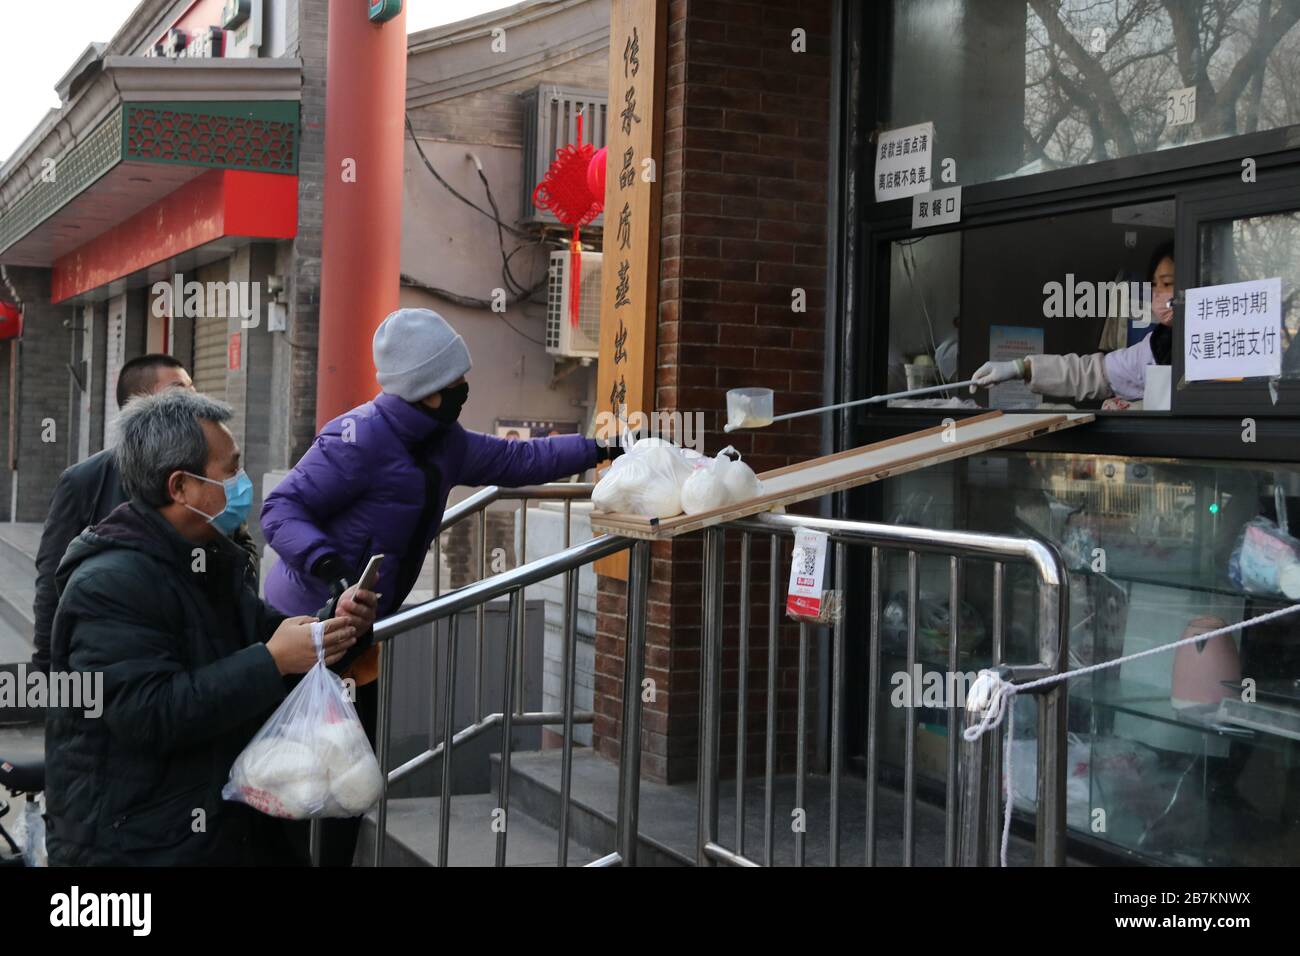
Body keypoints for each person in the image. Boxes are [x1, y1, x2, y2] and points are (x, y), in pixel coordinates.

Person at [260, 307, 622, 865]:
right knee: (296, 783)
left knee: (349, 779)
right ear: (425, 387)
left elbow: (518, 458)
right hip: (304, 629)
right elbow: (281, 507)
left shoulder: (444, 442)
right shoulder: (357, 438)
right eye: (453, 381)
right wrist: (330, 568)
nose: (462, 390)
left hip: (358, 633)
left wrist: (602, 448)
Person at [43, 390, 377, 866]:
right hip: (139, 843)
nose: (242, 482)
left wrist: (334, 626)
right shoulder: (109, 583)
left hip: (219, 826)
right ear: (180, 487)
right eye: (230, 469)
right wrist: (272, 660)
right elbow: (149, 713)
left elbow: (261, 631)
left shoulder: (209, 557)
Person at [31, 354, 194, 674]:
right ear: (137, 405)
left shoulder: (199, 480)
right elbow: (53, 578)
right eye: (178, 390)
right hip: (103, 661)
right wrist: (46, 661)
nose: (193, 400)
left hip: (179, 661)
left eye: (192, 388)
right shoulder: (84, 480)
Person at [971, 241, 1175, 404]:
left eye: (1167, 284)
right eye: (1154, 285)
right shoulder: (1156, 346)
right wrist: (1021, 368)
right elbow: (1093, 373)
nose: (1158, 293)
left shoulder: (1203, 347)